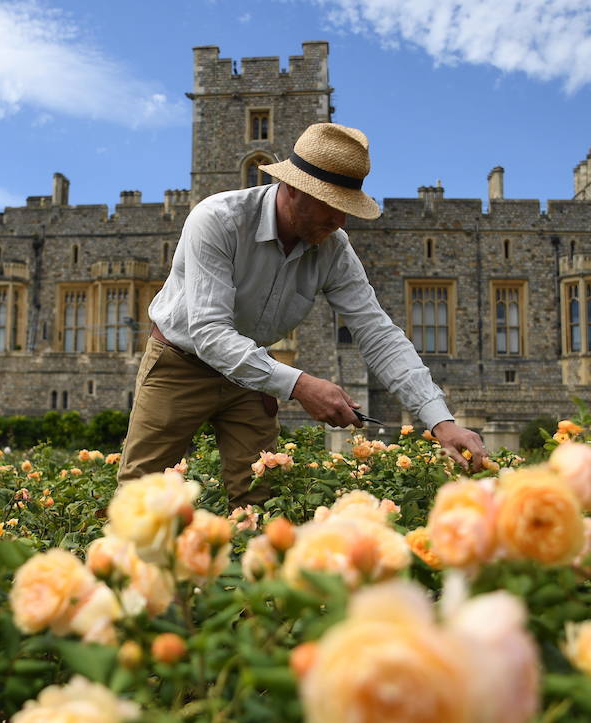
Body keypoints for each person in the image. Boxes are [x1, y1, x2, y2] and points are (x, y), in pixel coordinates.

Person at [118, 122, 487, 506]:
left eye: (348, 208)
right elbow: (210, 333)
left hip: (252, 373)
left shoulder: (334, 248)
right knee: (139, 497)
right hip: (181, 364)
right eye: (332, 205)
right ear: (293, 189)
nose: (341, 222)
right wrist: (300, 385)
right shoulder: (218, 220)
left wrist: (440, 421)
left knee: (260, 501)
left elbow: (377, 333)